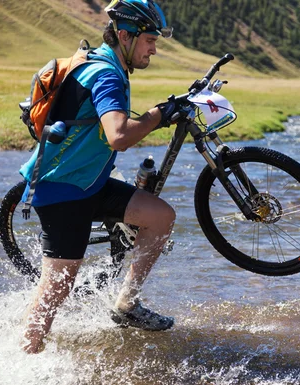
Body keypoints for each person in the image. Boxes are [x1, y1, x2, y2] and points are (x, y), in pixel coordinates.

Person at [19, 0, 183, 354]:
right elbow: (118, 136)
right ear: (124, 35)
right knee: (56, 291)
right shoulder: (107, 72)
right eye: (149, 40)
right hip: (61, 189)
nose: (154, 48)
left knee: (160, 217)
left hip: (88, 181)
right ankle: (25, 359)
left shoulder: (109, 63)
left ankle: (126, 304)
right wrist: (158, 114)